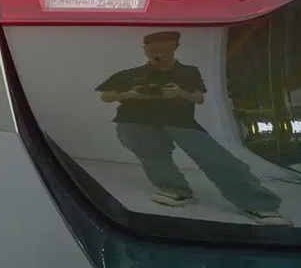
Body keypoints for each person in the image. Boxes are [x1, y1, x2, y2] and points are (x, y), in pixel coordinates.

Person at [96, 31, 291, 226]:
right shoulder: (132, 74)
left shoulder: (188, 72)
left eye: (164, 50)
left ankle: (260, 205)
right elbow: (106, 95)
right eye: (153, 50)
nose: (158, 54)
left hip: (180, 121)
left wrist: (180, 92)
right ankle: (175, 190)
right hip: (135, 121)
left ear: (174, 48)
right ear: (146, 51)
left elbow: (199, 98)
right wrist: (129, 94)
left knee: (215, 158)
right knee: (153, 158)